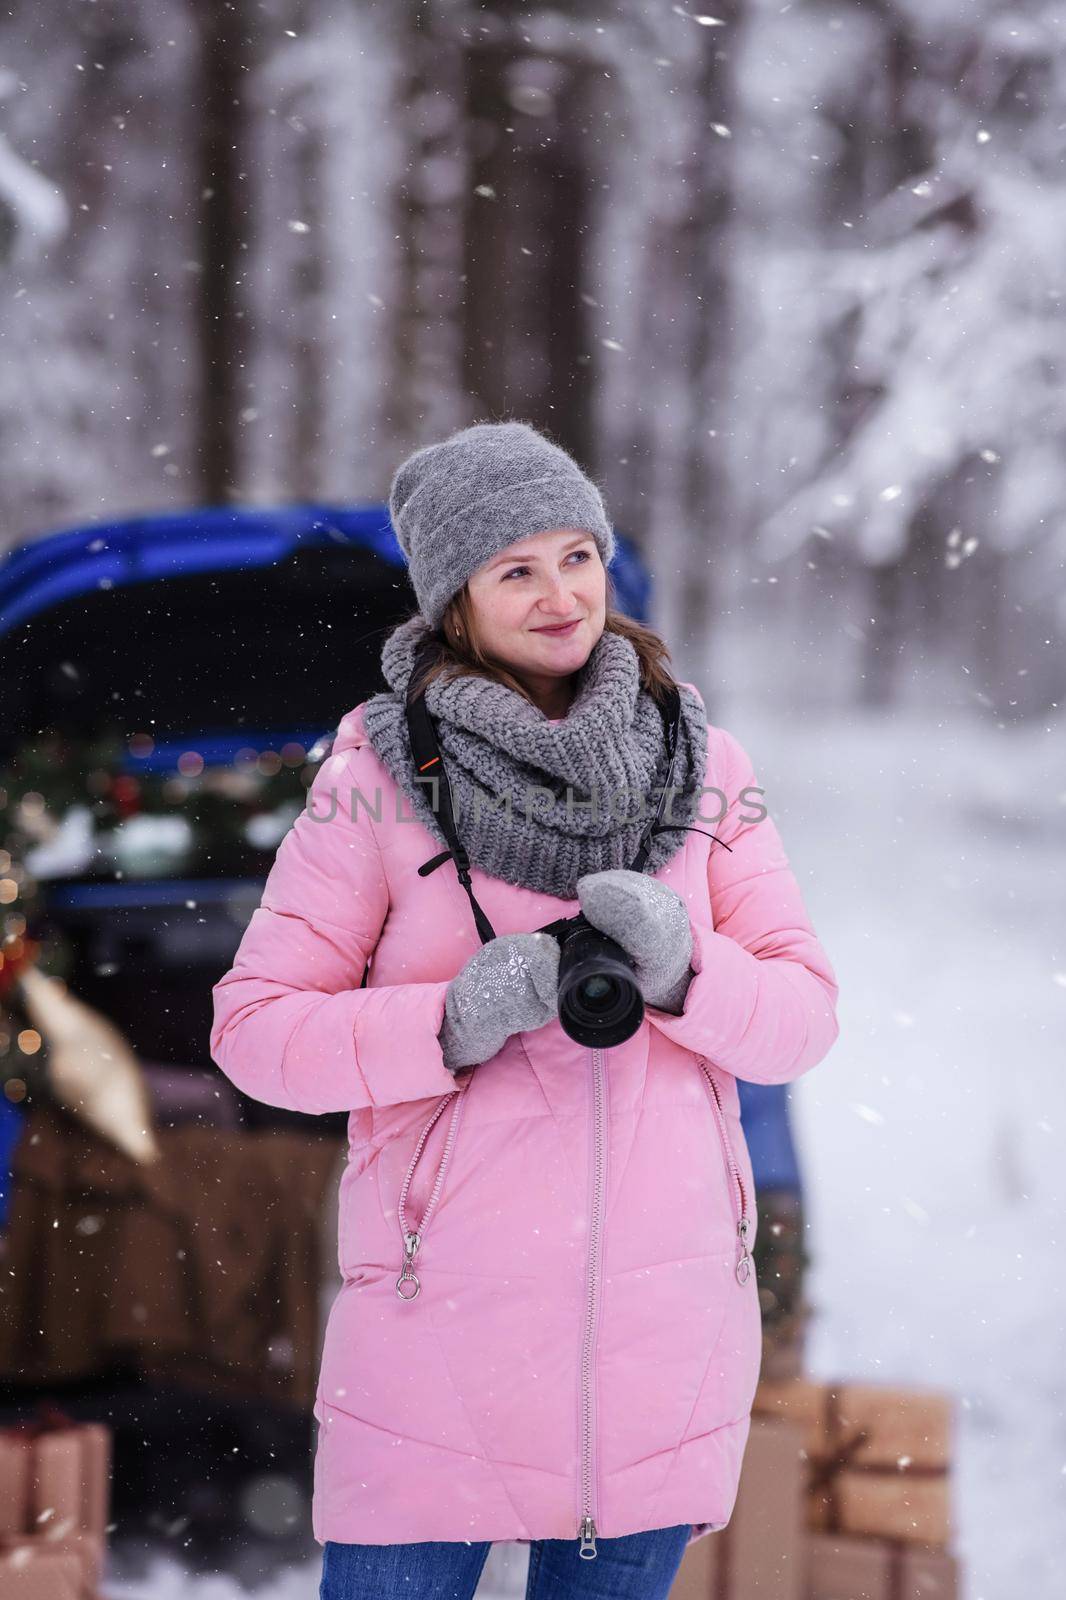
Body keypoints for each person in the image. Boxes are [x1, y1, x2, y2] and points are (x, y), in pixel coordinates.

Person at [209, 420, 841, 1600]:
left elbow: (801, 1016)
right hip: (434, 1344)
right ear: (454, 601)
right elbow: (252, 1032)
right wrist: (442, 1024)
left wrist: (687, 969)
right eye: (514, 568)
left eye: (576, 555)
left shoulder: (707, 769)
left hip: (655, 1345)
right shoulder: (373, 783)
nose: (560, 594)